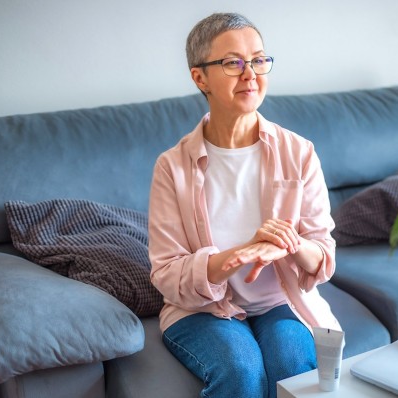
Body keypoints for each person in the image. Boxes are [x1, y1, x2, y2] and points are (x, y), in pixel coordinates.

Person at [148, 12, 340, 398]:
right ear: (200, 77)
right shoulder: (172, 167)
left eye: (258, 60)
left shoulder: (299, 152)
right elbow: (166, 273)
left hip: (280, 301)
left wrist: (290, 242)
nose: (250, 73)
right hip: (201, 310)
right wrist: (228, 260)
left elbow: (322, 255)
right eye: (233, 63)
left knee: (293, 370)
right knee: (241, 370)